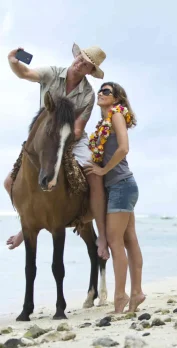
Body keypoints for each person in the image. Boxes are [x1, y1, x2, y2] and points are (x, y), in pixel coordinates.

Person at [4, 43, 109, 259]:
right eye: (80, 58)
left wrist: (62, 141)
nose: (81, 64)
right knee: (8, 182)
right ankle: (26, 225)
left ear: (91, 71)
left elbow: (78, 128)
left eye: (87, 65)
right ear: (76, 56)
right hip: (44, 136)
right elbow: (26, 73)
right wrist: (13, 62)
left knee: (94, 175)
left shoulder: (88, 94)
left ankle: (101, 234)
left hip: (72, 139)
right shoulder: (52, 73)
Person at [83, 82, 145, 313]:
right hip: (123, 186)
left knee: (115, 242)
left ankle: (120, 297)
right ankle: (136, 293)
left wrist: (102, 170)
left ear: (117, 98)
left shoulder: (117, 116)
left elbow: (124, 148)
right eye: (100, 90)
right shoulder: (104, 123)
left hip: (121, 185)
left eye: (106, 91)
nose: (101, 93)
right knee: (129, 240)